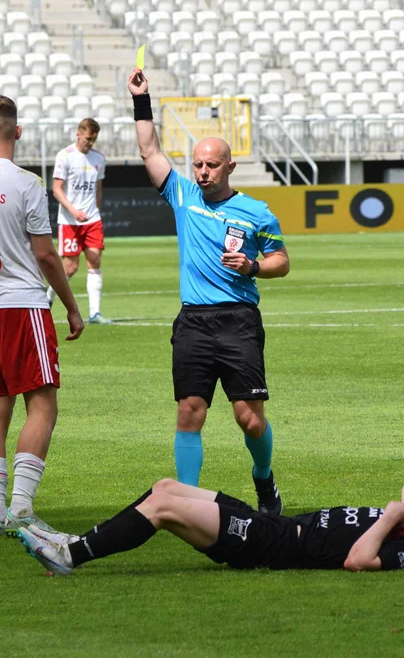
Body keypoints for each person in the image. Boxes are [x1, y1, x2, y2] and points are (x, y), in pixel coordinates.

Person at [127, 66, 291, 514]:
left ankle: (264, 480)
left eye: (211, 164)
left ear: (230, 166)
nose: (201, 172)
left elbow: (282, 262)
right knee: (189, 412)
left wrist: (255, 265)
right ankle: (188, 503)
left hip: (238, 321)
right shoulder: (182, 194)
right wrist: (142, 100)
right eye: (196, 164)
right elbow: (149, 149)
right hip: (194, 320)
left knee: (249, 418)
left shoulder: (257, 212)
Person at [0, 95, 85, 535]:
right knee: (42, 406)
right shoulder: (26, 183)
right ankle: (21, 507)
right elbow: (45, 256)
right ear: (18, 132)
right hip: (22, 307)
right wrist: (71, 306)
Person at [16, 466, 404, 576]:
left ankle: (71, 555)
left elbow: (357, 561)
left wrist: (390, 518)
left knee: (162, 510)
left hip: (270, 547)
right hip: (273, 525)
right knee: (164, 487)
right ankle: (79, 542)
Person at [46, 118, 111, 324]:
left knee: (95, 260)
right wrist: (73, 210)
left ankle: (95, 313)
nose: (89, 143)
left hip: (92, 219)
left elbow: (98, 188)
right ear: (78, 134)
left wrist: (96, 212)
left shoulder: (99, 158)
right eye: (87, 139)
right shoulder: (65, 156)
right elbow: (56, 189)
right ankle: (47, 298)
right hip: (69, 220)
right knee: (70, 267)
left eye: (93, 140)